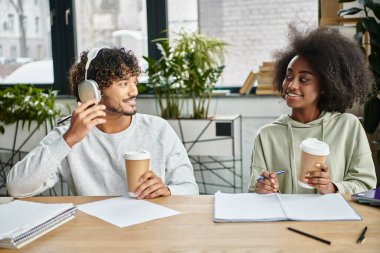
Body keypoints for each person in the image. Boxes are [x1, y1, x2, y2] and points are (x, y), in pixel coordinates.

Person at [7, 47, 199, 199]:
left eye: (135, 82)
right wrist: (69, 140)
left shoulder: (158, 129)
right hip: (93, 235)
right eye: (124, 84)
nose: (134, 92)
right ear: (91, 91)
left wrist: (168, 191)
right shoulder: (68, 136)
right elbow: (17, 187)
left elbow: (190, 188)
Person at [248, 25, 377, 195]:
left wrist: (332, 188)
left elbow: (366, 185)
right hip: (285, 221)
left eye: (304, 79)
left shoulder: (347, 127)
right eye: (289, 76)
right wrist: (263, 190)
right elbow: (253, 192)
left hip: (334, 220)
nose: (292, 85)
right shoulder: (266, 135)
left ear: (325, 85)